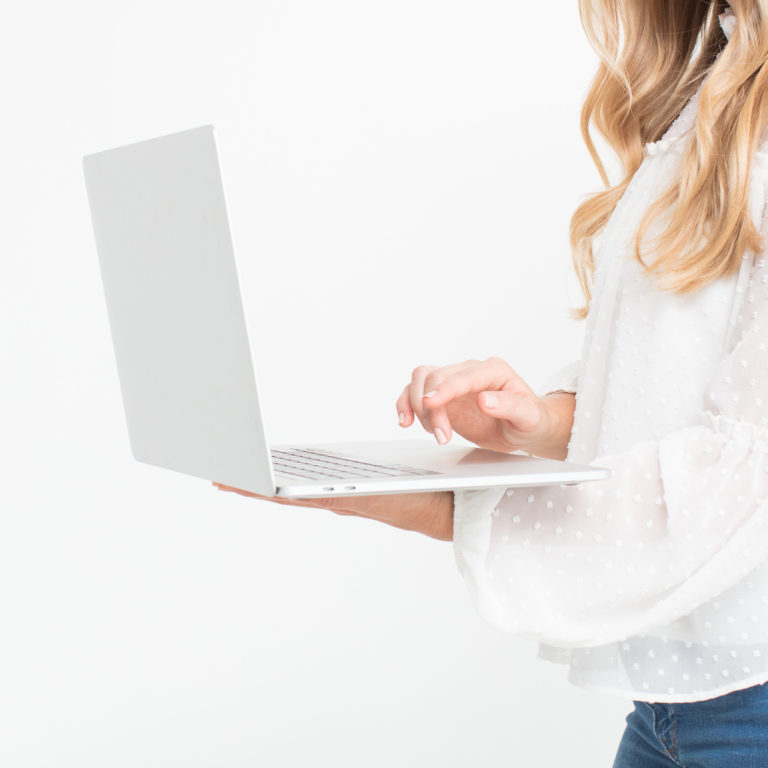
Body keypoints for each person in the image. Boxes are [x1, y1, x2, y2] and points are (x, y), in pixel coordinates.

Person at [214, 1, 768, 763]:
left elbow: (749, 477)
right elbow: (692, 379)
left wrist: (445, 507)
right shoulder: (717, 94)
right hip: (674, 704)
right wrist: (546, 422)